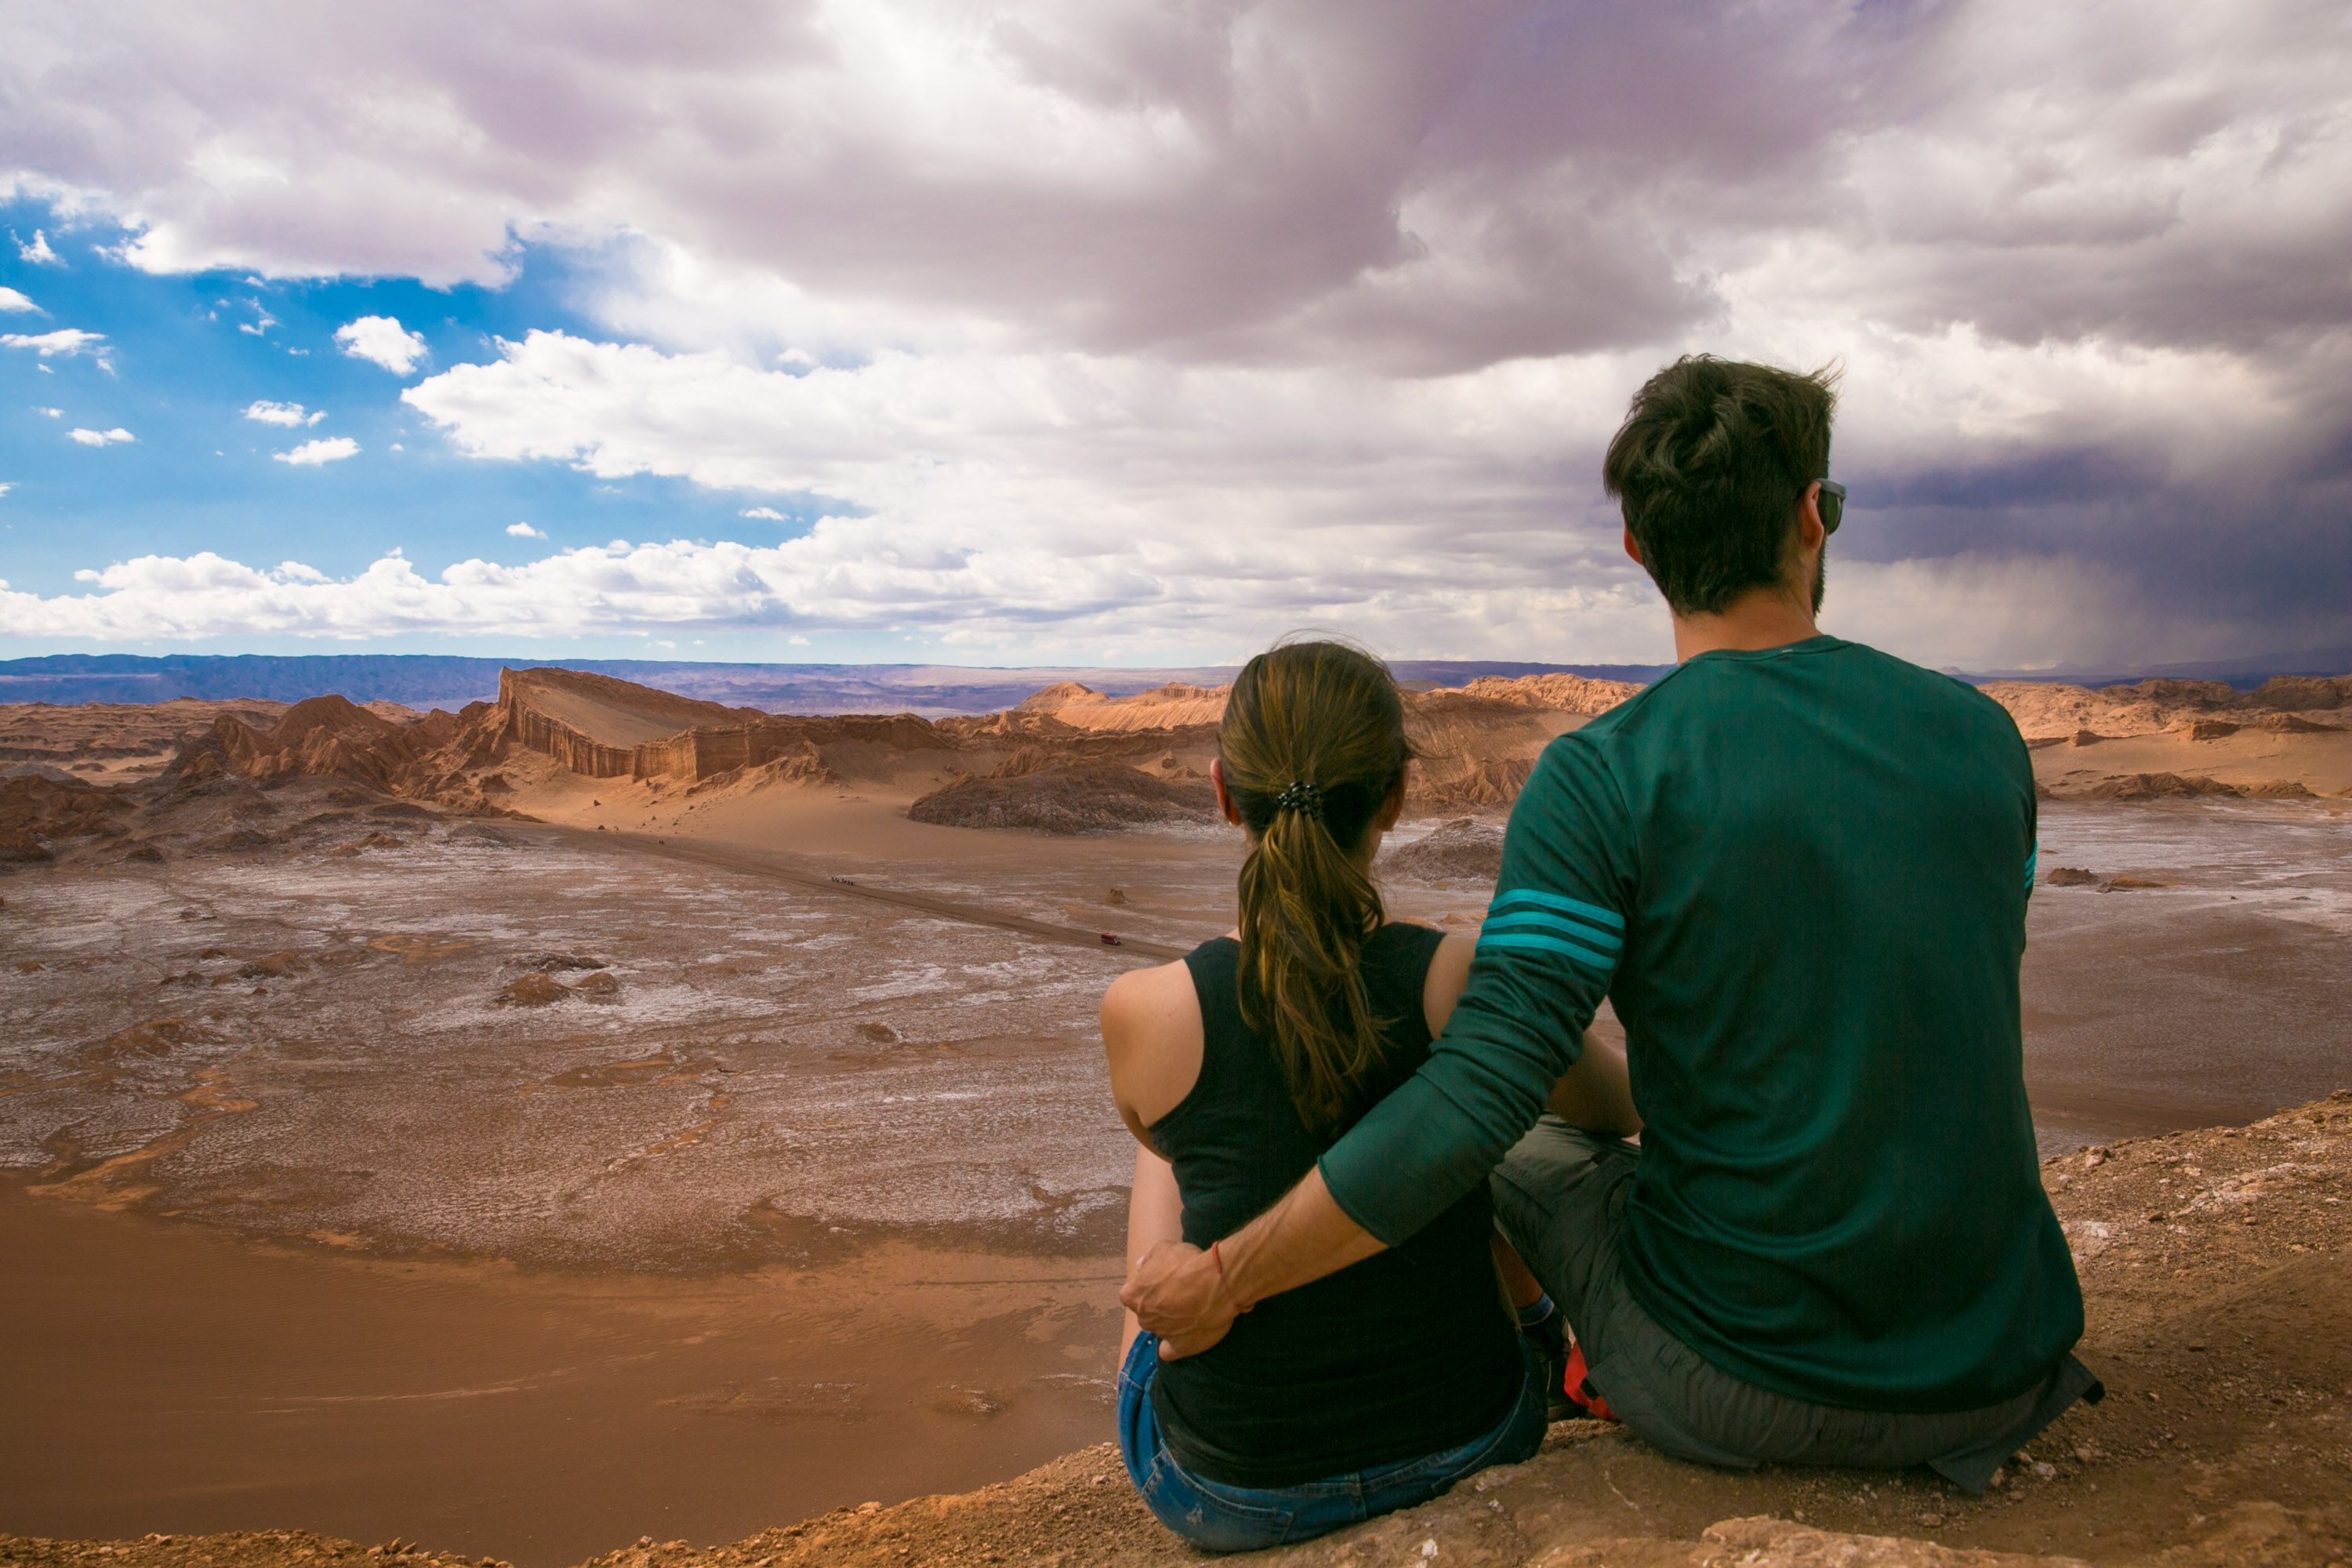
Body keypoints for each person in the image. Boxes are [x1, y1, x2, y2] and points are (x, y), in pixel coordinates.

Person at [1123, 357, 2100, 1492]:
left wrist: (1229, 1275)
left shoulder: (1605, 777)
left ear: (1638, 548)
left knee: (1511, 1136)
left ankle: (1513, 1370)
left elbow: (1483, 1095)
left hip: (1740, 1387)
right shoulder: (1983, 738)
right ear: (1813, 517)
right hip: (2002, 1368)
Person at [1102, 639, 1639, 1552]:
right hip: (1472, 1435)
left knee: (1158, 1144)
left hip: (1229, 1488)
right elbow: (1612, 1110)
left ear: (1223, 792)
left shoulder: (1146, 1008)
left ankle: (1177, 1314)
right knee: (1480, 1124)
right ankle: (1543, 1334)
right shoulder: (1453, 976)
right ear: (1396, 792)